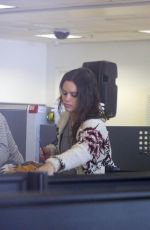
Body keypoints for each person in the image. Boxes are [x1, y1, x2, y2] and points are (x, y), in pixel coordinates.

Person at [38, 67, 117, 176]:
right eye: (64, 93)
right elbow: (67, 151)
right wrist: (50, 151)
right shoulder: (65, 117)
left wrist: (52, 164)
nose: (66, 98)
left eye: (73, 94)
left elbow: (81, 152)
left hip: (89, 189)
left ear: (85, 96)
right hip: (67, 186)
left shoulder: (95, 125)